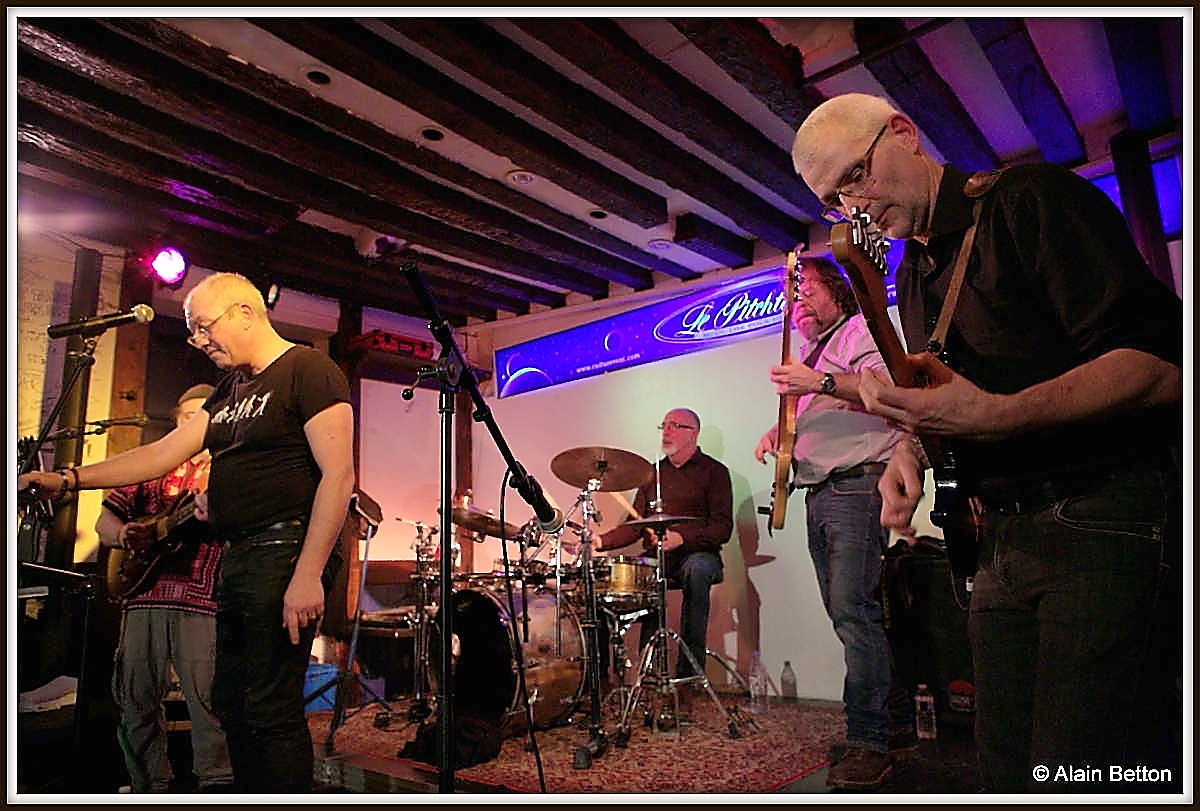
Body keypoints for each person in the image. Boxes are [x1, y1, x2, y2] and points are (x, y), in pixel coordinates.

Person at [791, 93, 1182, 793]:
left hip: (1103, 515)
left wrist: (996, 416)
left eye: (854, 176)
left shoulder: (1030, 200)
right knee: (1002, 769)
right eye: (834, 200)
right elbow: (952, 396)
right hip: (1000, 535)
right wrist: (909, 452)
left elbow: (1162, 366)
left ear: (903, 133)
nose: (853, 206)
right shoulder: (911, 272)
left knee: (1082, 772)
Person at [20, 272, 356, 793]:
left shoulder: (309, 369)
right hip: (240, 557)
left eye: (203, 326)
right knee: (231, 703)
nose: (199, 341)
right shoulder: (231, 389)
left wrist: (308, 573)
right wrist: (68, 479)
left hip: (286, 549)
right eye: (193, 331)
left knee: (269, 707)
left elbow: (339, 476)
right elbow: (162, 453)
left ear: (245, 313)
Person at [753, 255, 910, 790]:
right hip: (823, 491)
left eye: (806, 290)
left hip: (857, 487)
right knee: (854, 614)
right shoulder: (816, 353)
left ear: (838, 293)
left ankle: (870, 741)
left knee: (853, 614)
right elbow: (825, 412)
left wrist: (816, 381)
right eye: (790, 296)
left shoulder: (859, 330)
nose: (796, 303)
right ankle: (892, 725)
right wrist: (780, 434)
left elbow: (883, 390)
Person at [96, 383, 232, 793]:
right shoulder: (152, 464)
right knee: (135, 698)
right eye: (186, 416)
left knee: (208, 702)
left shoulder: (230, 466)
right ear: (175, 421)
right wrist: (124, 535)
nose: (193, 423)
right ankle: (148, 785)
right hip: (142, 597)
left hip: (202, 601)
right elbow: (105, 521)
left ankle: (217, 786)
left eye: (201, 416)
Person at [597, 408, 733, 688]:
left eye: (675, 425)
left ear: (693, 433)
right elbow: (634, 524)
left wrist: (682, 538)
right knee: (626, 576)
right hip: (658, 559)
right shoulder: (652, 474)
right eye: (664, 426)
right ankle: (647, 674)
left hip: (698, 554)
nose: (667, 431)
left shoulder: (715, 472)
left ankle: (688, 673)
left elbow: (722, 528)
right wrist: (600, 541)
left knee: (697, 569)